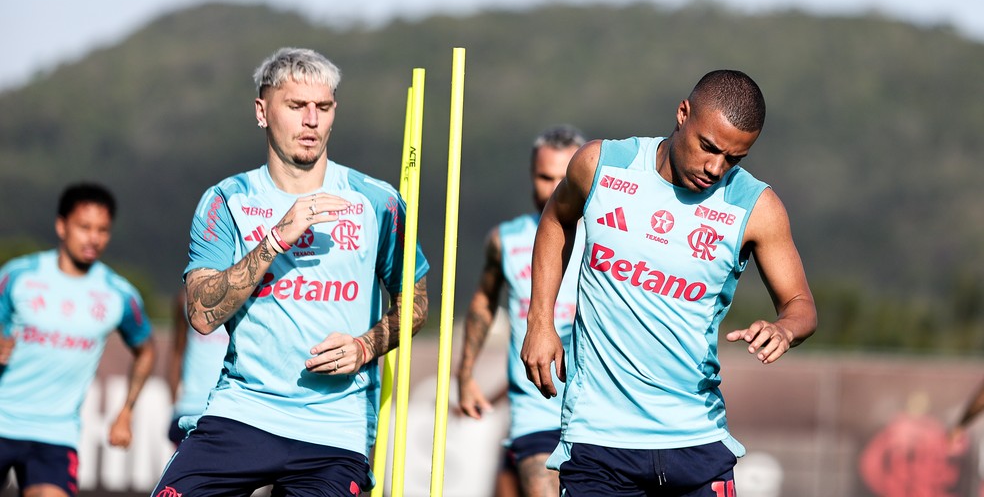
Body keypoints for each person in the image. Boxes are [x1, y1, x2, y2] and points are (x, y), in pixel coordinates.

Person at [522, 69, 817, 496]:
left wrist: (785, 329)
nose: (715, 168)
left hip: (696, 439)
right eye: (708, 147)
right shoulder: (602, 164)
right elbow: (555, 219)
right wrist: (540, 321)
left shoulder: (757, 207)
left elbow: (800, 304)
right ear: (683, 113)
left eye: (734, 159)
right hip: (598, 440)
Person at [151, 47, 429, 497]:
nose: (312, 120)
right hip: (243, 412)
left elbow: (415, 304)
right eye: (297, 106)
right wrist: (276, 239)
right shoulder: (227, 200)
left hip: (335, 430)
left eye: (323, 106)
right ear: (262, 112)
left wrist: (365, 346)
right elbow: (201, 315)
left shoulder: (376, 201)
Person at [0, 183, 155, 497]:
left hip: (56, 435)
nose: (94, 238)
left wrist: (126, 411)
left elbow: (146, 350)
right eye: (84, 227)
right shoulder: (18, 276)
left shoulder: (119, 294)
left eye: (103, 230)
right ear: (62, 226)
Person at [457, 125, 585, 497]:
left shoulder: (610, 237)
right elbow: (484, 301)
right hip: (536, 410)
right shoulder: (506, 239)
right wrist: (465, 374)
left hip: (600, 409)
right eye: (546, 178)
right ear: (531, 175)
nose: (555, 189)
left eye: (565, 178)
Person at [166, 291, 229, 446]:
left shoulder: (249, 297)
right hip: (189, 407)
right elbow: (177, 351)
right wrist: (174, 402)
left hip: (229, 408)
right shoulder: (185, 298)